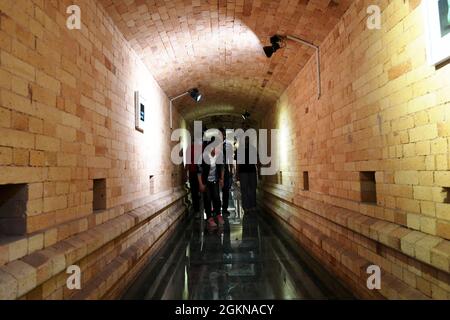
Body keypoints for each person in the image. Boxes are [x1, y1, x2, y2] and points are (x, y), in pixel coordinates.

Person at [198, 138, 225, 229]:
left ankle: (218, 215)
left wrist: (222, 179)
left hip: (215, 180)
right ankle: (209, 218)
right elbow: (199, 171)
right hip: (206, 181)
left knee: (217, 198)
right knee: (208, 199)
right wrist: (201, 184)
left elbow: (221, 167)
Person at [236, 137, 258, 212]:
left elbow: (256, 161)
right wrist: (237, 173)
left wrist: (259, 171)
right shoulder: (240, 149)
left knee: (251, 189)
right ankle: (247, 207)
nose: (246, 141)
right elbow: (238, 162)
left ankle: (251, 206)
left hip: (250, 171)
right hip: (244, 171)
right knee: (245, 190)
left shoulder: (252, 148)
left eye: (247, 139)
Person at [219, 128, 234, 217]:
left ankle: (224, 209)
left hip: (225, 170)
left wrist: (231, 170)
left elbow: (230, 159)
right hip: (217, 170)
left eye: (223, 134)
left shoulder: (227, 146)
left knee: (225, 191)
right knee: (216, 192)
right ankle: (216, 210)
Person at [185, 137, 201, 216]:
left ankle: (197, 210)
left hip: (192, 172)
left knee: (194, 192)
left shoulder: (189, 149)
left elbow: (187, 163)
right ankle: (203, 207)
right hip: (200, 173)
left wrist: (185, 174)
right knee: (201, 191)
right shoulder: (202, 149)